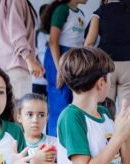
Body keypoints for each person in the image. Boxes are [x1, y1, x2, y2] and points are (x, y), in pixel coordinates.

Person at [41, 0, 89, 136]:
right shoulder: (62, 10)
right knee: (59, 100)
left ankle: (70, 138)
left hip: (74, 58)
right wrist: (60, 69)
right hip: (59, 57)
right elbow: (53, 41)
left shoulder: (80, 13)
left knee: (73, 101)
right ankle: (55, 140)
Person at [0, 0, 44, 100]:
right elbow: (17, 35)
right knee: (19, 107)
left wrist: (33, 60)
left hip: (4, 65)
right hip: (15, 67)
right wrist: (30, 60)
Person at [85, 0, 130, 114]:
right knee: (127, 110)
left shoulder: (100, 12)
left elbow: (89, 43)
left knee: (105, 108)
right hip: (128, 65)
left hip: (106, 65)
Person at [32, 4, 50, 96]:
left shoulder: (60, 35)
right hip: (38, 80)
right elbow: (32, 53)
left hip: (53, 81)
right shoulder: (36, 34)